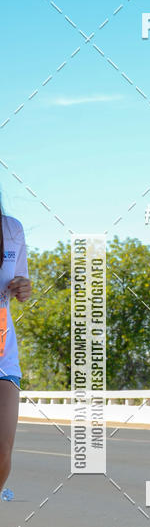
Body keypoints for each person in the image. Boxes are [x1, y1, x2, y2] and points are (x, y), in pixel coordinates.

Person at [0, 194, 32, 505]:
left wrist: (24, 287)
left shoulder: (12, 230)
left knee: (2, 451)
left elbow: (20, 284)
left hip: (2, 352)